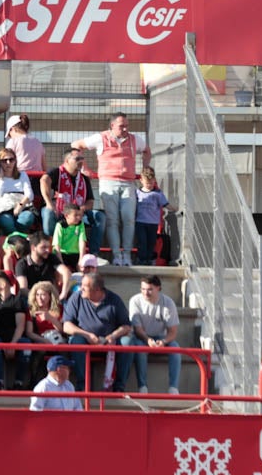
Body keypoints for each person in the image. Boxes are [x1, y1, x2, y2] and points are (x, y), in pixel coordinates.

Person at [71, 114, 147, 267]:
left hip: (128, 183)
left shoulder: (135, 140)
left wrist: (145, 169)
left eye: (127, 125)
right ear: (112, 126)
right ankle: (116, 256)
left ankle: (127, 255)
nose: (125, 129)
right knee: (112, 220)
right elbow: (76, 145)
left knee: (129, 218)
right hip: (108, 182)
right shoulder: (101, 138)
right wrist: (84, 168)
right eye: (121, 126)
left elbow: (147, 150)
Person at [124, 276, 181, 393]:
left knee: (176, 349)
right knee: (140, 348)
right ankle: (142, 387)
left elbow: (173, 332)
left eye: (149, 289)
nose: (146, 292)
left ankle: (173, 388)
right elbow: (137, 329)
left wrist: (164, 342)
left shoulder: (168, 303)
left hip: (161, 337)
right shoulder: (135, 301)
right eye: (143, 289)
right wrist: (148, 339)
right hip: (141, 337)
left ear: (158, 288)